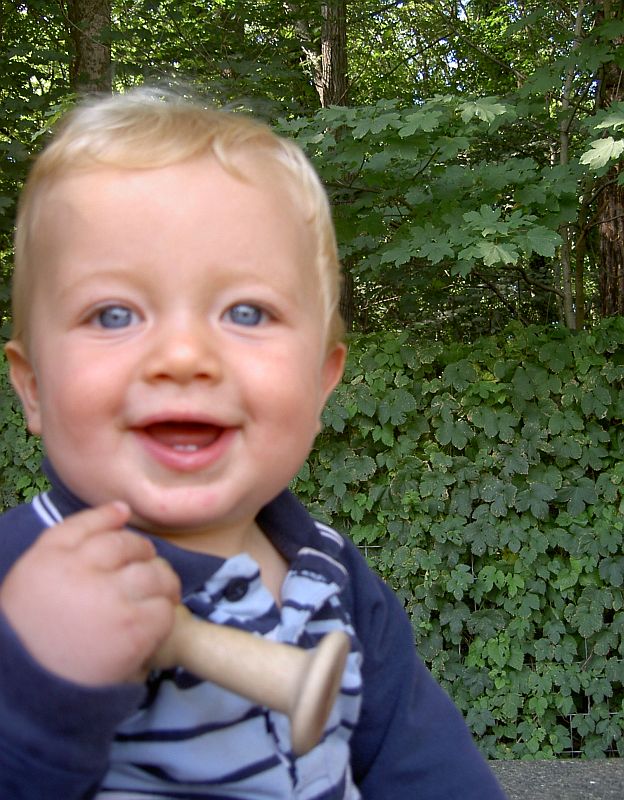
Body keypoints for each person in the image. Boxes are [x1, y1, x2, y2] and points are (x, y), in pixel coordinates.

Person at [0, 88, 506, 800]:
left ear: (322, 380)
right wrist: (34, 685)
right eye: (113, 313)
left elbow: (424, 766)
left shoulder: (332, 575)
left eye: (246, 311)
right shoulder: (19, 580)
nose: (183, 355)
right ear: (33, 388)